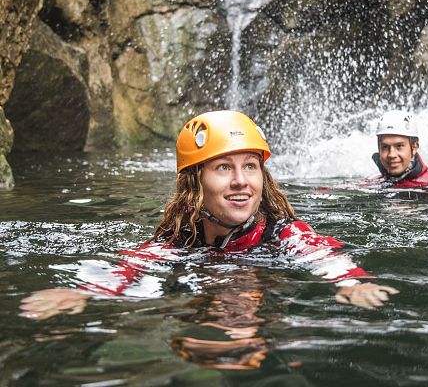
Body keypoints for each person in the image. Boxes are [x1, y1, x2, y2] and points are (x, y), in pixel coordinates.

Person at [20, 110, 399, 322]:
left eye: (250, 166)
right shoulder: (180, 238)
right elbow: (133, 265)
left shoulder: (283, 232)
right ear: (194, 181)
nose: (241, 182)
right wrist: (84, 291)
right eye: (223, 168)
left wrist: (352, 282)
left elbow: (323, 254)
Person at [363, 110, 428, 189]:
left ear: (414, 147)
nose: (391, 154)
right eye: (385, 147)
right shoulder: (370, 184)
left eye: (399, 146)